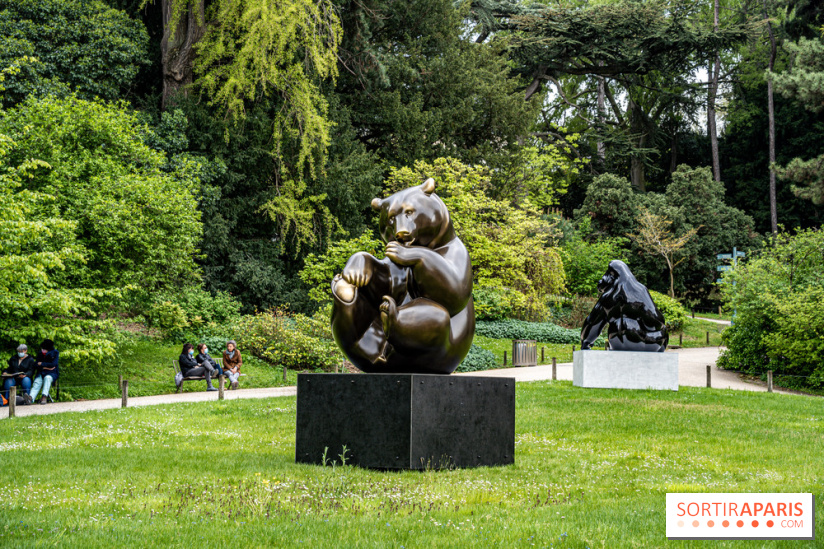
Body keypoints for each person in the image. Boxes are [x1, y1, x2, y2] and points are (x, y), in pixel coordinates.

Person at [30, 339, 59, 405]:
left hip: (52, 373)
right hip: (41, 372)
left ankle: (44, 396)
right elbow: (36, 364)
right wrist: (46, 366)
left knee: (47, 378)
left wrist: (42, 364)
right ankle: (30, 398)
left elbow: (53, 364)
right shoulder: (40, 353)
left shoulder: (55, 353)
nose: (43, 350)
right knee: (37, 382)